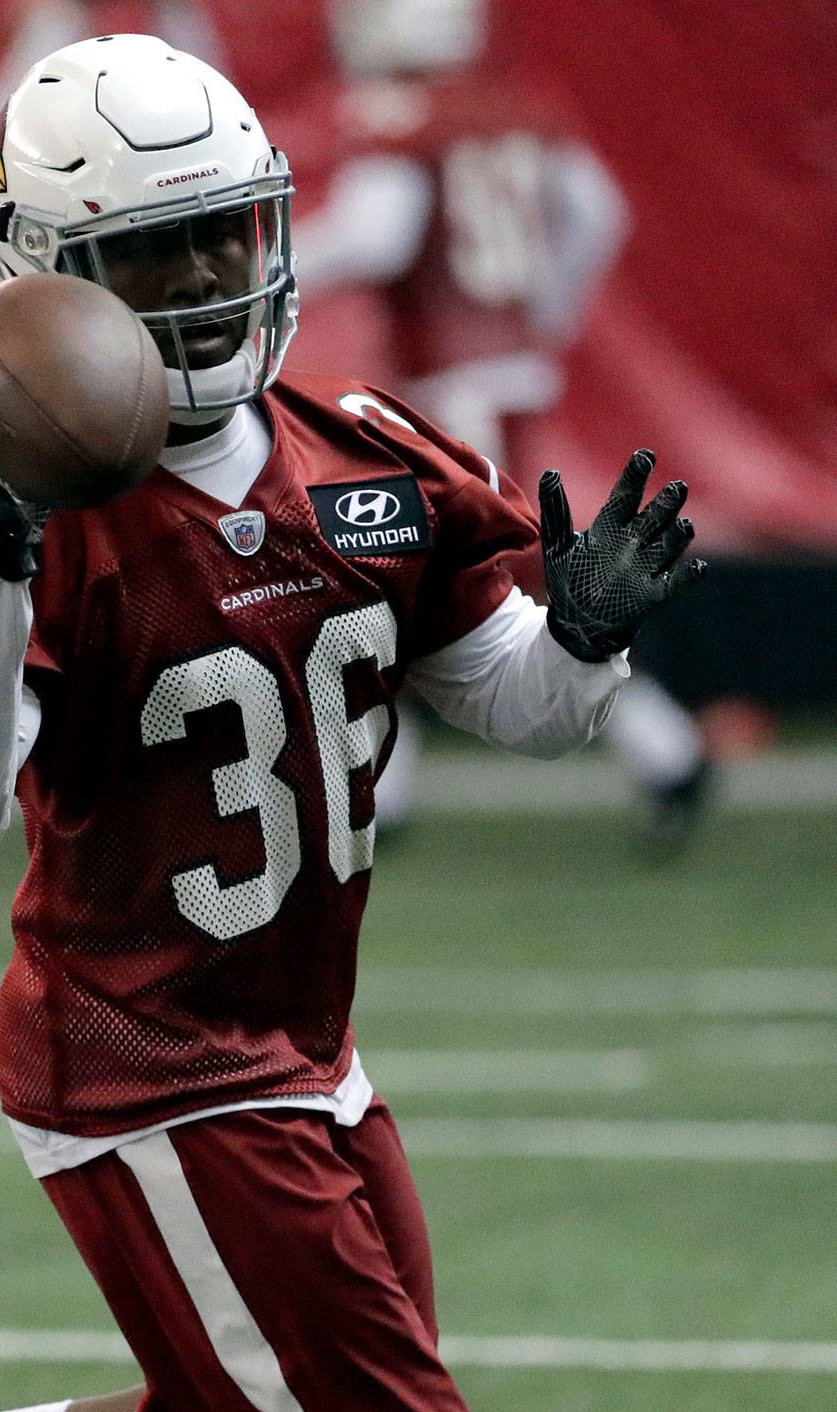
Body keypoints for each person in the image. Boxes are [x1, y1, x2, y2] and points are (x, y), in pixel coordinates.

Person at [0, 33, 703, 1412]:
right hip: (150, 1072)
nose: (200, 280)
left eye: (219, 233)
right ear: (49, 273)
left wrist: (581, 644)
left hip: (309, 1047)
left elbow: (517, 705)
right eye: (153, 251)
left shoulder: (362, 456)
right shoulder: (30, 538)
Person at [285, 0, 715, 850]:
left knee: (484, 584)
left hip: (455, 385)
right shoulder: (514, 106)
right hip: (502, 370)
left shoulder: (408, 118)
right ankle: (385, 785)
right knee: (423, 575)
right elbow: (599, 212)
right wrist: (537, 318)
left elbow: (378, 236)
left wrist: (271, 261)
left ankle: (668, 750)